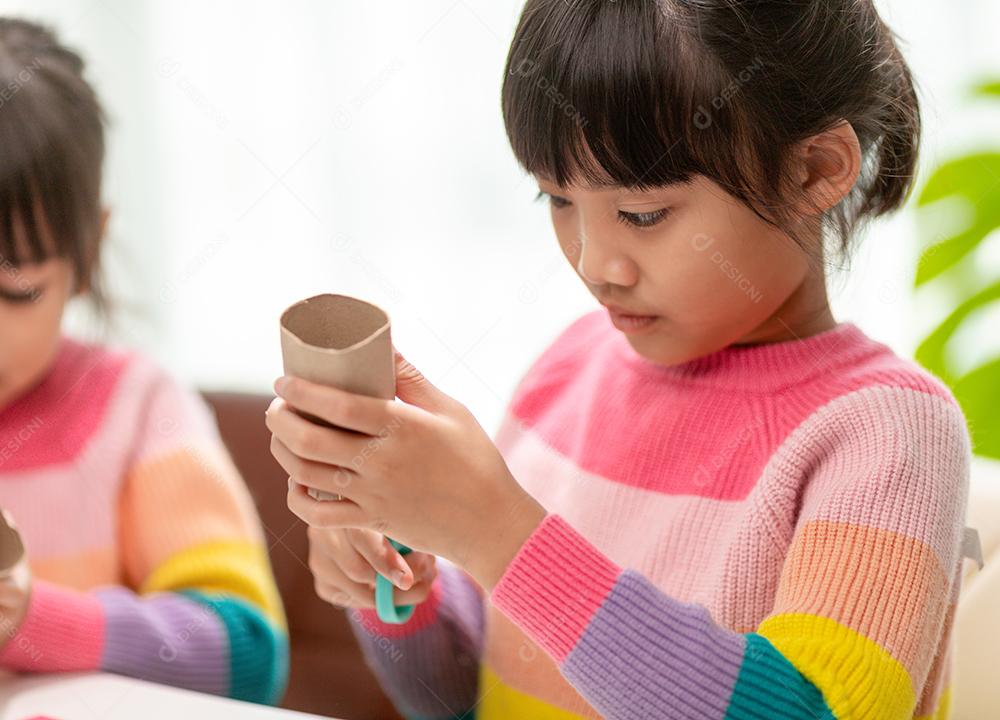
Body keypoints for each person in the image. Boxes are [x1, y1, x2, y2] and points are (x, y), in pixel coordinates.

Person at [266, 0, 970, 717]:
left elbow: (807, 709)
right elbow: (461, 699)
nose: (594, 263)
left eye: (642, 214)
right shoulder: (570, 370)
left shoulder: (886, 432)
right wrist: (397, 584)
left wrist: (494, 532)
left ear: (814, 170)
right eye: (556, 198)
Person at [0, 6, 287, 705]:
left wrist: (29, 623)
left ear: (86, 253)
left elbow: (249, 657)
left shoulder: (137, 410)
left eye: (13, 287)